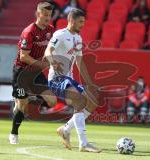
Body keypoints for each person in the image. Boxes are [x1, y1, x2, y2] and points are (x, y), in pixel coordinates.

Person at [44, 9, 101, 153]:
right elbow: (48, 51)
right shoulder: (60, 34)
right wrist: (52, 61)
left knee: (93, 102)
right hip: (57, 79)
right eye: (80, 22)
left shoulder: (79, 39)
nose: (82, 25)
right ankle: (84, 143)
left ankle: (65, 129)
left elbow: (80, 63)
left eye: (83, 22)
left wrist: (89, 83)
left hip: (69, 79)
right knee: (80, 101)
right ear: (72, 20)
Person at [9, 2, 55, 145]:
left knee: (52, 101)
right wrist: (42, 64)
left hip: (35, 72)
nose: (48, 18)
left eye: (50, 15)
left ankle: (28, 97)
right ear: (38, 14)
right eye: (45, 15)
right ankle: (13, 133)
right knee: (22, 105)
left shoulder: (51, 30)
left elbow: (50, 49)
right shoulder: (29, 32)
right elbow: (23, 57)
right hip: (21, 72)